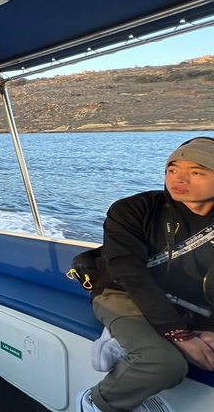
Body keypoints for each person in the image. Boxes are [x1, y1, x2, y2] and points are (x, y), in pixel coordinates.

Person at [79, 137, 214, 412]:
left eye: (196, 172)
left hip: (189, 303)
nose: (179, 179)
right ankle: (96, 402)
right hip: (120, 291)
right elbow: (129, 272)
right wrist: (179, 334)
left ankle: (125, 341)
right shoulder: (134, 210)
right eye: (173, 169)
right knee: (162, 363)